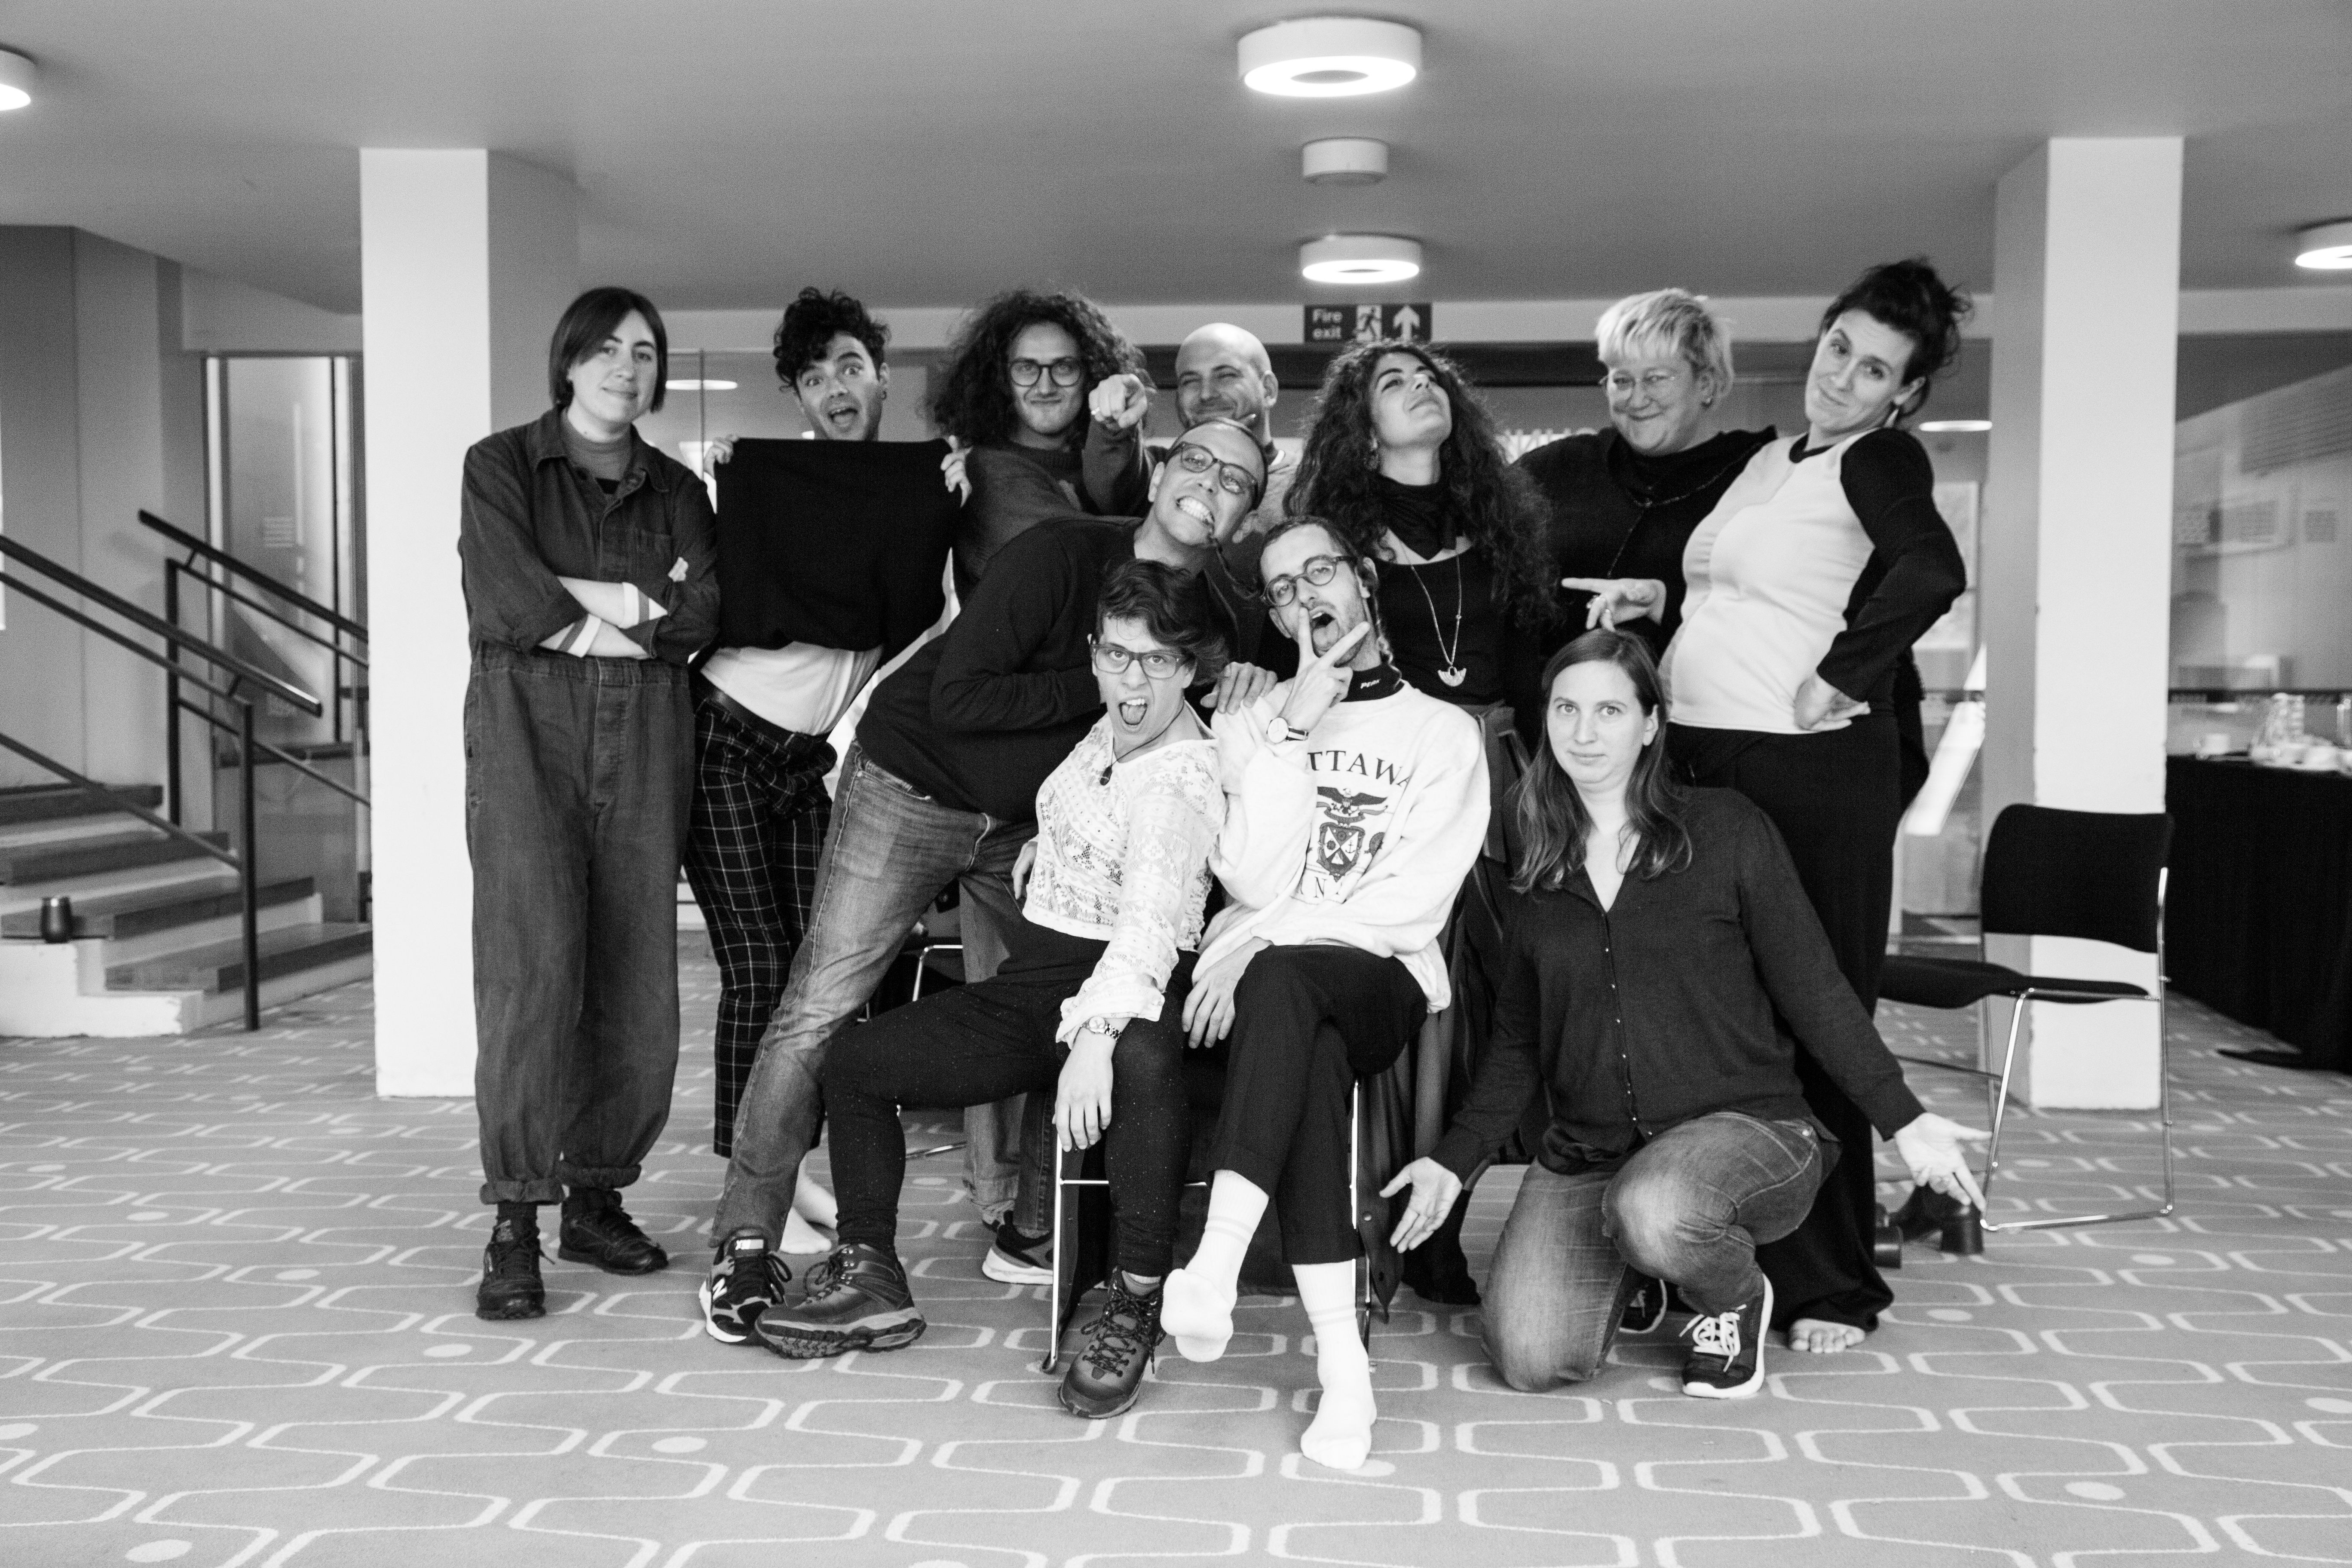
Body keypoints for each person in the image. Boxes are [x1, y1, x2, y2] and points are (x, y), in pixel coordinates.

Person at [699, 417, 1274, 1340]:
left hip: (1026, 824)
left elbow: (1216, 722)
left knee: (1071, 989)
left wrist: (1238, 678)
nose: (1211, 482)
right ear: (1162, 469)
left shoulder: (1227, 617)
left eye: (1237, 479)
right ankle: (746, 1244)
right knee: (823, 1004)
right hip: (911, 787)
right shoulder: (1061, 554)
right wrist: (1113, 681)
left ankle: (1039, 1226)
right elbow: (964, 696)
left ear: (1247, 509)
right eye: (1195, 459)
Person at [1383, 631, 1988, 1397]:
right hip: (1595, 1150)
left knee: (1657, 1206)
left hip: (1744, 1130)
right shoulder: (1536, 854)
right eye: (1565, 708)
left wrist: (1903, 1117)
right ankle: (1644, 1263)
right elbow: (1517, 1040)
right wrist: (1452, 1158)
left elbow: (1816, 990)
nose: (1583, 731)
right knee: (1531, 1356)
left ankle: (1730, 1297)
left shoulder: (1726, 828)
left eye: (1609, 709)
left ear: (1648, 723)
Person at [1577, 258, 1972, 1353]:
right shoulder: (1770, 460)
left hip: (1804, 774)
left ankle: (1832, 1282)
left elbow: (1928, 570)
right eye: (1836, 347)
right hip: (1707, 763)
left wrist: (1845, 674)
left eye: (1874, 368)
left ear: (1904, 393)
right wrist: (1661, 599)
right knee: (1718, 1025)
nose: (1842, 377)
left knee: (1815, 1007)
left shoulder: (1880, 457)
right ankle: (1711, 1241)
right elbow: (1746, 589)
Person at [747, 560, 1227, 1422]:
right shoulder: (1115, 730)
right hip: (1039, 986)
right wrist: (1057, 844)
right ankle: (873, 1280)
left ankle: (1133, 1303)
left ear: (1191, 666)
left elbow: (1149, 931)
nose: (1133, 679)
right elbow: (1083, 801)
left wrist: (1092, 1040)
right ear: (1093, 653)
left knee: (1145, 1059)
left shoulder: (1180, 779)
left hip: (1127, 991)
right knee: (856, 1062)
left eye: (1157, 662)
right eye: (1118, 656)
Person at [1158, 517, 1489, 1471]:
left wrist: (1251, 947)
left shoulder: (1443, 731)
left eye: (1321, 573)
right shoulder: (1253, 724)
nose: (1307, 598)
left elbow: (1407, 902)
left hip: (1381, 977)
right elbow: (1252, 874)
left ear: (1363, 580)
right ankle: (1346, 1372)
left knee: (1286, 976)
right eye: (1283, 589)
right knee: (1306, 1051)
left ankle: (1217, 1260)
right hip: (1283, 993)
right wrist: (1295, 724)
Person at [455, 287, 718, 1320]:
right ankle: (516, 1217)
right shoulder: (500, 466)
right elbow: (507, 600)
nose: (626, 366)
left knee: (636, 977)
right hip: (529, 739)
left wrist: (579, 599)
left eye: (645, 351)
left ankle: (596, 1196)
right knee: (532, 969)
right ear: (568, 362)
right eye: (607, 349)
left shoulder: (680, 489)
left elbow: (701, 616)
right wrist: (633, 610)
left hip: (648, 739)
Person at [685, 288, 950, 1200]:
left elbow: (935, 621)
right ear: (797, 399)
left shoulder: (919, 495)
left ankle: (788, 1163)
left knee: (819, 979)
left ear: (881, 377)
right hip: (720, 738)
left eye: (849, 366)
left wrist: (947, 500)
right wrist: (729, 479)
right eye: (812, 376)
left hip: (804, 762)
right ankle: (747, 1179)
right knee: (759, 965)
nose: (834, 387)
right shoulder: (769, 486)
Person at [1516, 288, 1776, 737]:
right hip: (1568, 742)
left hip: (1711, 736)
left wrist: (1665, 603)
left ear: (1708, 384)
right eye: (1621, 379)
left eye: (1656, 378)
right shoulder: (1556, 468)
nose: (1636, 398)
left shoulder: (1761, 475)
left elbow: (1781, 612)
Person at [1286, 339, 1553, 715]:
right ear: (1365, 431)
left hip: (1497, 757)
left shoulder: (1502, 527)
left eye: (1429, 378)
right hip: (1386, 761)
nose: (1422, 385)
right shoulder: (1332, 544)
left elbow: (1525, 677)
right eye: (1393, 383)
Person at [927, 287, 1149, 594]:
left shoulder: (1104, 453)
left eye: (1064, 367)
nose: (1045, 387)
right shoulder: (984, 471)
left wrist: (1116, 425)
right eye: (1027, 369)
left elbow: (1129, 496)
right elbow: (1079, 558)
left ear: (1090, 375)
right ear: (1002, 380)